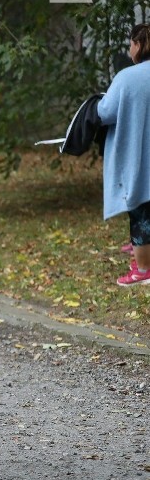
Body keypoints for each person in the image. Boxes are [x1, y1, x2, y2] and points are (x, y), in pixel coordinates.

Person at [98, 24, 150, 286]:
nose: (130, 48)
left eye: (131, 43)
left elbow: (105, 112)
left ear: (139, 45)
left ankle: (143, 270)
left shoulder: (127, 77)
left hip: (139, 157)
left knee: (141, 213)